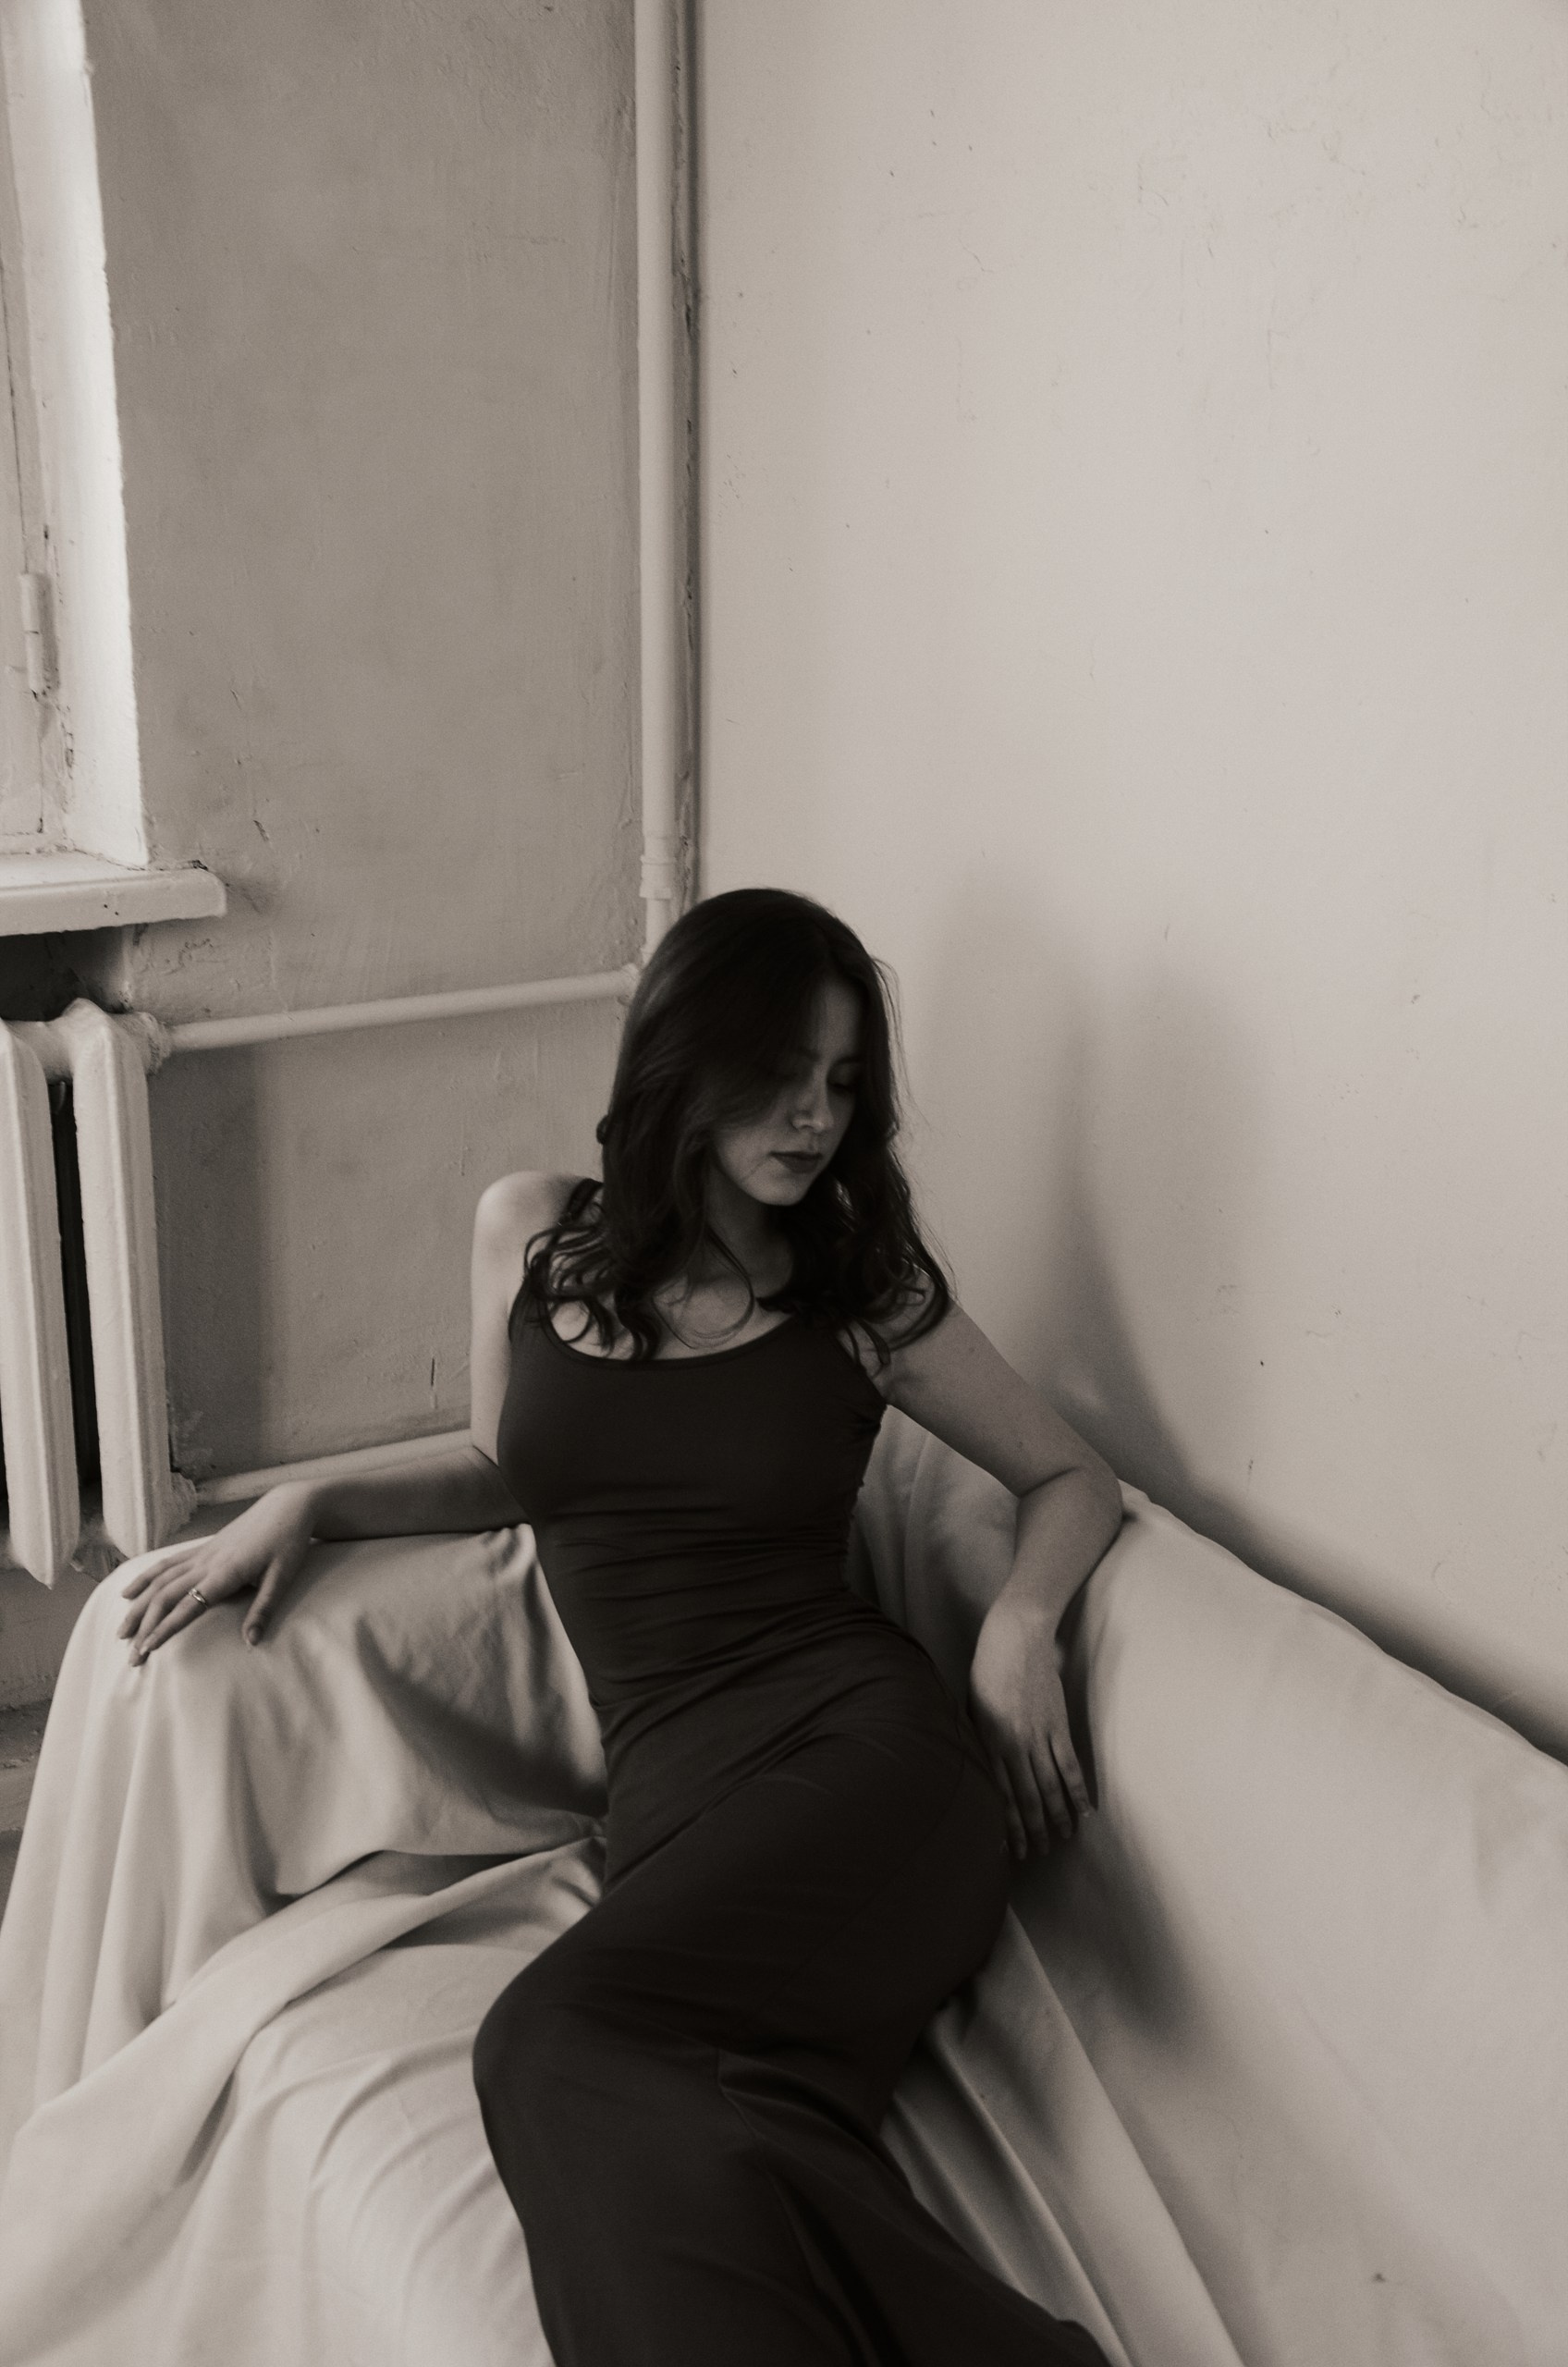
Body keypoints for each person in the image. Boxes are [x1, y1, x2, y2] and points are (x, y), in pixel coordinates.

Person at [118, 888, 1124, 2365]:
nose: (816, 1118)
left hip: (870, 1775)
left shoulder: (859, 1295)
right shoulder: (533, 1233)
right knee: (700, 2121)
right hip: (674, 1804)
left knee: (545, 2041)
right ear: (686, 1057)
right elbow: (505, 1470)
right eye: (782, 1074)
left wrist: (1018, 1628)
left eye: (844, 1083)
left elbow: (1069, 1476)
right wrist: (311, 1502)